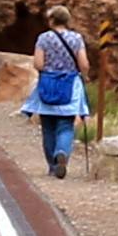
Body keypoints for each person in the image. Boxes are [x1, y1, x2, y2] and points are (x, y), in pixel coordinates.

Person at [22, 17, 90, 178]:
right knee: (66, 126)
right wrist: (84, 76)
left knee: (48, 128)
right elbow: (84, 64)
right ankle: (62, 153)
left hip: (47, 86)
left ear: (52, 20)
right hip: (70, 85)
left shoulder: (44, 38)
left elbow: (38, 64)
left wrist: (49, 70)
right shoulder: (76, 38)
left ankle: (53, 167)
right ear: (67, 20)